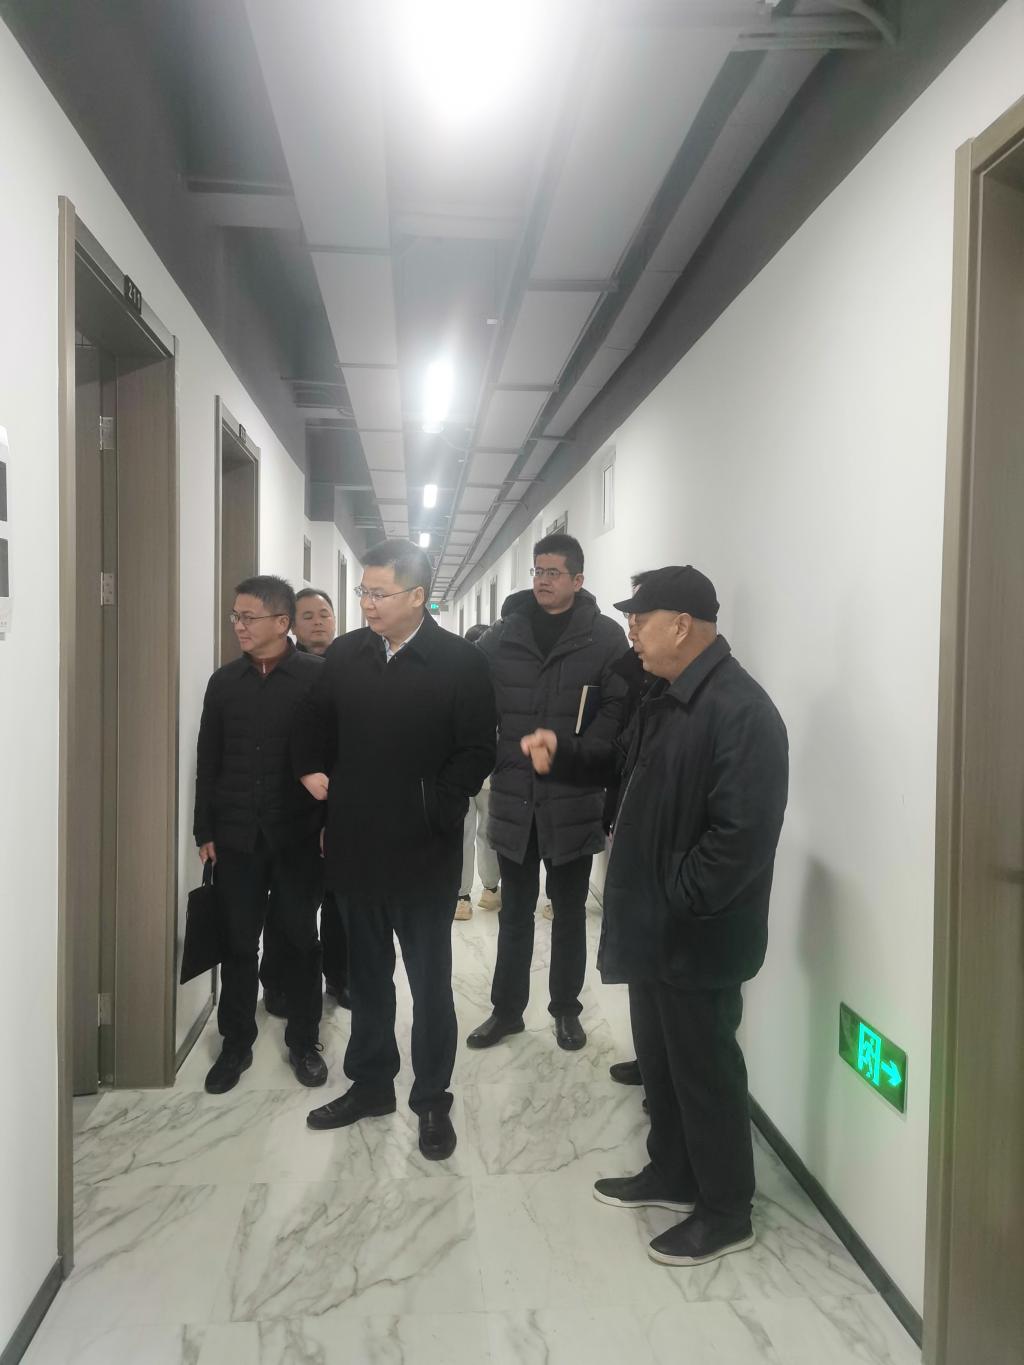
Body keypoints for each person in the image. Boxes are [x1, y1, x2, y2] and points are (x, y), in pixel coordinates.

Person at [521, 565, 788, 1267]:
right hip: (653, 927)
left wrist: (675, 899)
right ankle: (672, 1171)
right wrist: (562, 753)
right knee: (663, 1067)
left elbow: (739, 841)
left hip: (695, 936)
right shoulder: (668, 698)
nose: (632, 633)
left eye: (641, 621)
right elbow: (620, 766)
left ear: (682, 625)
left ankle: (727, 1210)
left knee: (706, 1073)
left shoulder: (741, 711)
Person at [293, 539, 496, 1160]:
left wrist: (436, 806)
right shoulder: (347, 654)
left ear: (417, 597)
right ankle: (372, 1084)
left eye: (379, 593)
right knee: (367, 978)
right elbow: (314, 724)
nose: (367, 603)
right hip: (356, 846)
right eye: (363, 591)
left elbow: (477, 749)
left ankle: (432, 1098)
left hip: (423, 854)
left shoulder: (459, 662)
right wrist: (310, 770)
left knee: (430, 985)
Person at [466, 533, 627, 1054]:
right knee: (514, 911)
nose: (542, 580)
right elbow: (472, 699)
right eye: (537, 570)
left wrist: (576, 751)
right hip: (515, 796)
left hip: (573, 797)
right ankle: (506, 1011)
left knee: (569, 911)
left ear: (578, 579)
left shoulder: (605, 638)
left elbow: (618, 711)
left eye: (553, 572)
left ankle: (566, 1010)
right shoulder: (503, 635)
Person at [193, 575, 328, 1095]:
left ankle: (304, 1040)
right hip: (236, 836)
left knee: (300, 940)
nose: (239, 626)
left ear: (281, 622)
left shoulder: (318, 678)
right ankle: (236, 1042)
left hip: (298, 835)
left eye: (248, 617)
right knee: (238, 942)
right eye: (235, 616)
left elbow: (335, 756)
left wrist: (331, 825)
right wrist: (205, 828)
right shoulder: (224, 683)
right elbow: (209, 760)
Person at [261, 586, 349, 1012]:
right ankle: (278, 982)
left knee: (340, 901)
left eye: (324, 613)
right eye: (307, 615)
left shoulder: (353, 667)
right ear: (292, 624)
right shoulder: (281, 670)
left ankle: (340, 977)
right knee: (289, 903)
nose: (317, 622)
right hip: (292, 808)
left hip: (344, 804)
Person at [454, 621, 501, 921]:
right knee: (482, 830)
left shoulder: (458, 676)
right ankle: (485, 890)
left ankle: (469, 895)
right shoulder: (496, 678)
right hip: (479, 767)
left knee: (471, 830)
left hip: (473, 766)